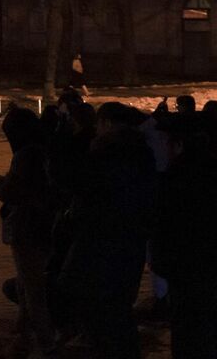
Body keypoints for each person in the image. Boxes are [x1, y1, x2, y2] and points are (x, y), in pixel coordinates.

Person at [54, 101, 156, 359]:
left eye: (99, 124)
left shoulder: (108, 152)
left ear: (108, 124)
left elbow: (68, 177)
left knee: (96, 306)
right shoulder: (141, 152)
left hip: (101, 241)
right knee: (117, 310)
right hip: (129, 242)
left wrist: (67, 136)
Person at [0, 107, 57, 358]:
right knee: (28, 285)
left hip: (28, 228)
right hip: (44, 225)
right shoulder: (43, 150)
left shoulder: (26, 155)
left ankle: (44, 340)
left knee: (32, 287)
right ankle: (24, 335)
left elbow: (12, 192)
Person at [153, 113, 216, 359]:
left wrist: (163, 263)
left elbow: (166, 226)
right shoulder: (208, 171)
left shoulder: (175, 178)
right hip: (205, 265)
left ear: (179, 144)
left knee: (189, 331)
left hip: (186, 268)